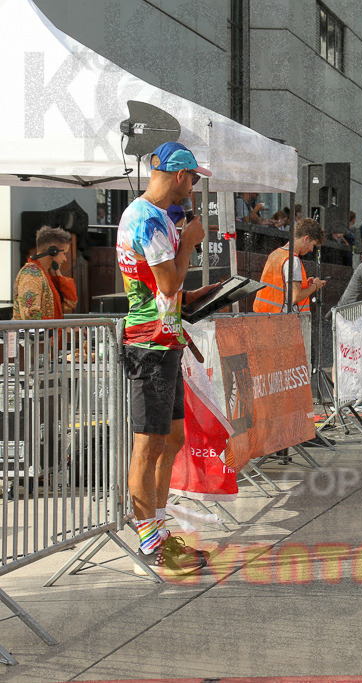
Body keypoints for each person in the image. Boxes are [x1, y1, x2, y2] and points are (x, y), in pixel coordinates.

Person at [117, 141, 219, 576]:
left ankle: (157, 531)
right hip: (150, 344)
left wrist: (192, 295)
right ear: (180, 176)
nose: (194, 189)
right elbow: (169, 281)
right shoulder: (148, 219)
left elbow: (171, 289)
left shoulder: (153, 217)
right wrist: (191, 243)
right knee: (148, 445)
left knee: (171, 439)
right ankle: (147, 539)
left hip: (165, 339)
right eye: (194, 179)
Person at [252, 218, 327, 313]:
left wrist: (305, 285)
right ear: (306, 239)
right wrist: (315, 286)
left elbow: (280, 287)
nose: (311, 249)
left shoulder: (276, 254)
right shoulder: (293, 260)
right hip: (282, 319)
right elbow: (294, 297)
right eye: (313, 244)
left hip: (266, 316)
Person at [13, 227, 78, 320]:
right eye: (64, 253)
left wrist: (57, 271)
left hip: (49, 333)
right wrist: (63, 328)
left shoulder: (46, 275)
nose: (65, 259)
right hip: (39, 334)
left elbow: (70, 302)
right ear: (53, 251)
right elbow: (31, 315)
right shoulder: (31, 275)